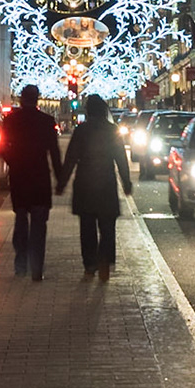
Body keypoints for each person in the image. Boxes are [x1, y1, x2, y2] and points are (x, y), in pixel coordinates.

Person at [57, 93, 131, 280]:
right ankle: (104, 259)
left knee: (87, 226)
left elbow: (71, 158)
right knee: (107, 226)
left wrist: (62, 182)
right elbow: (121, 159)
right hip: (106, 182)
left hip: (85, 182)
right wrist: (126, 182)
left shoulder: (82, 131)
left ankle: (90, 263)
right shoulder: (112, 130)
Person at [3, 84, 65, 282]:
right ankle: (37, 266)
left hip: (20, 177)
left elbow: (3, 147)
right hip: (40, 178)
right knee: (39, 225)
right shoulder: (46, 122)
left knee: (21, 219)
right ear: (37, 99)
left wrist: (13, 162)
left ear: (22, 99)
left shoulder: (11, 121)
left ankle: (21, 263)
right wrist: (60, 179)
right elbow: (54, 152)